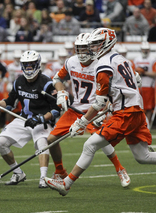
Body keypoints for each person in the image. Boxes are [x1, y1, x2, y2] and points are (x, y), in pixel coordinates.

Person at [44, 27, 156, 196]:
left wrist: (82, 122)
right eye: (92, 44)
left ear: (107, 42)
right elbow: (137, 81)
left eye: (97, 43)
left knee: (90, 145)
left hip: (125, 112)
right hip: (134, 109)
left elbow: (99, 102)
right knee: (142, 157)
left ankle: (66, 183)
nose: (93, 48)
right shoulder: (121, 59)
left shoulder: (103, 64)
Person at [47, 33, 130, 188]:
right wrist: (61, 92)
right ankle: (60, 171)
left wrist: (104, 109)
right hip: (75, 109)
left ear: (92, 48)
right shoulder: (71, 62)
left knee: (101, 141)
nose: (81, 52)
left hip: (94, 110)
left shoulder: (102, 64)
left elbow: (109, 90)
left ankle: (120, 169)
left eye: (84, 49)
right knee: (51, 140)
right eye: (78, 49)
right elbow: (57, 79)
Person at [0, 50, 60, 188]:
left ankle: (43, 178)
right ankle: (18, 173)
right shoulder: (19, 81)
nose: (28, 68)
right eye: (26, 65)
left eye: (31, 65)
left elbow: (56, 110)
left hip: (42, 121)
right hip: (23, 118)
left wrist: (41, 118)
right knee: (1, 143)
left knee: (42, 143)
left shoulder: (47, 83)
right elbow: (9, 103)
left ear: (37, 65)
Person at [133, 42, 156, 127]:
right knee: (138, 106)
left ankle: (146, 126)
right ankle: (138, 125)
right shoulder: (136, 59)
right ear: (141, 49)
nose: (145, 51)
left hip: (149, 86)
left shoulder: (152, 60)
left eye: (146, 49)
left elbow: (155, 73)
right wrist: (138, 72)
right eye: (144, 49)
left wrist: (144, 72)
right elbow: (132, 72)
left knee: (148, 107)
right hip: (138, 86)